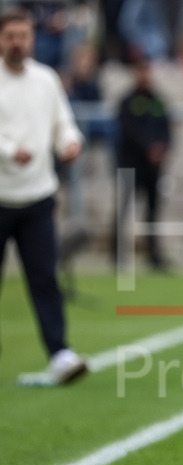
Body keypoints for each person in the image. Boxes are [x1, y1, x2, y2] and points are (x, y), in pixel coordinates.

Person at [0, 6, 87, 385]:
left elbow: (62, 124)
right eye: (10, 37)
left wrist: (70, 143)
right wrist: (8, 152)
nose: (17, 43)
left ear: (32, 39)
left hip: (37, 195)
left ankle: (59, 352)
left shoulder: (46, 79)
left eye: (23, 36)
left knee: (44, 277)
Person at [113, 58, 172, 271]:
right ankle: (118, 255)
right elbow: (128, 131)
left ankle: (154, 256)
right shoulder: (127, 101)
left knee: (153, 212)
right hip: (131, 164)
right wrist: (148, 147)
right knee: (124, 209)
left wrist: (162, 148)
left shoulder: (158, 101)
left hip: (153, 168)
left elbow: (168, 129)